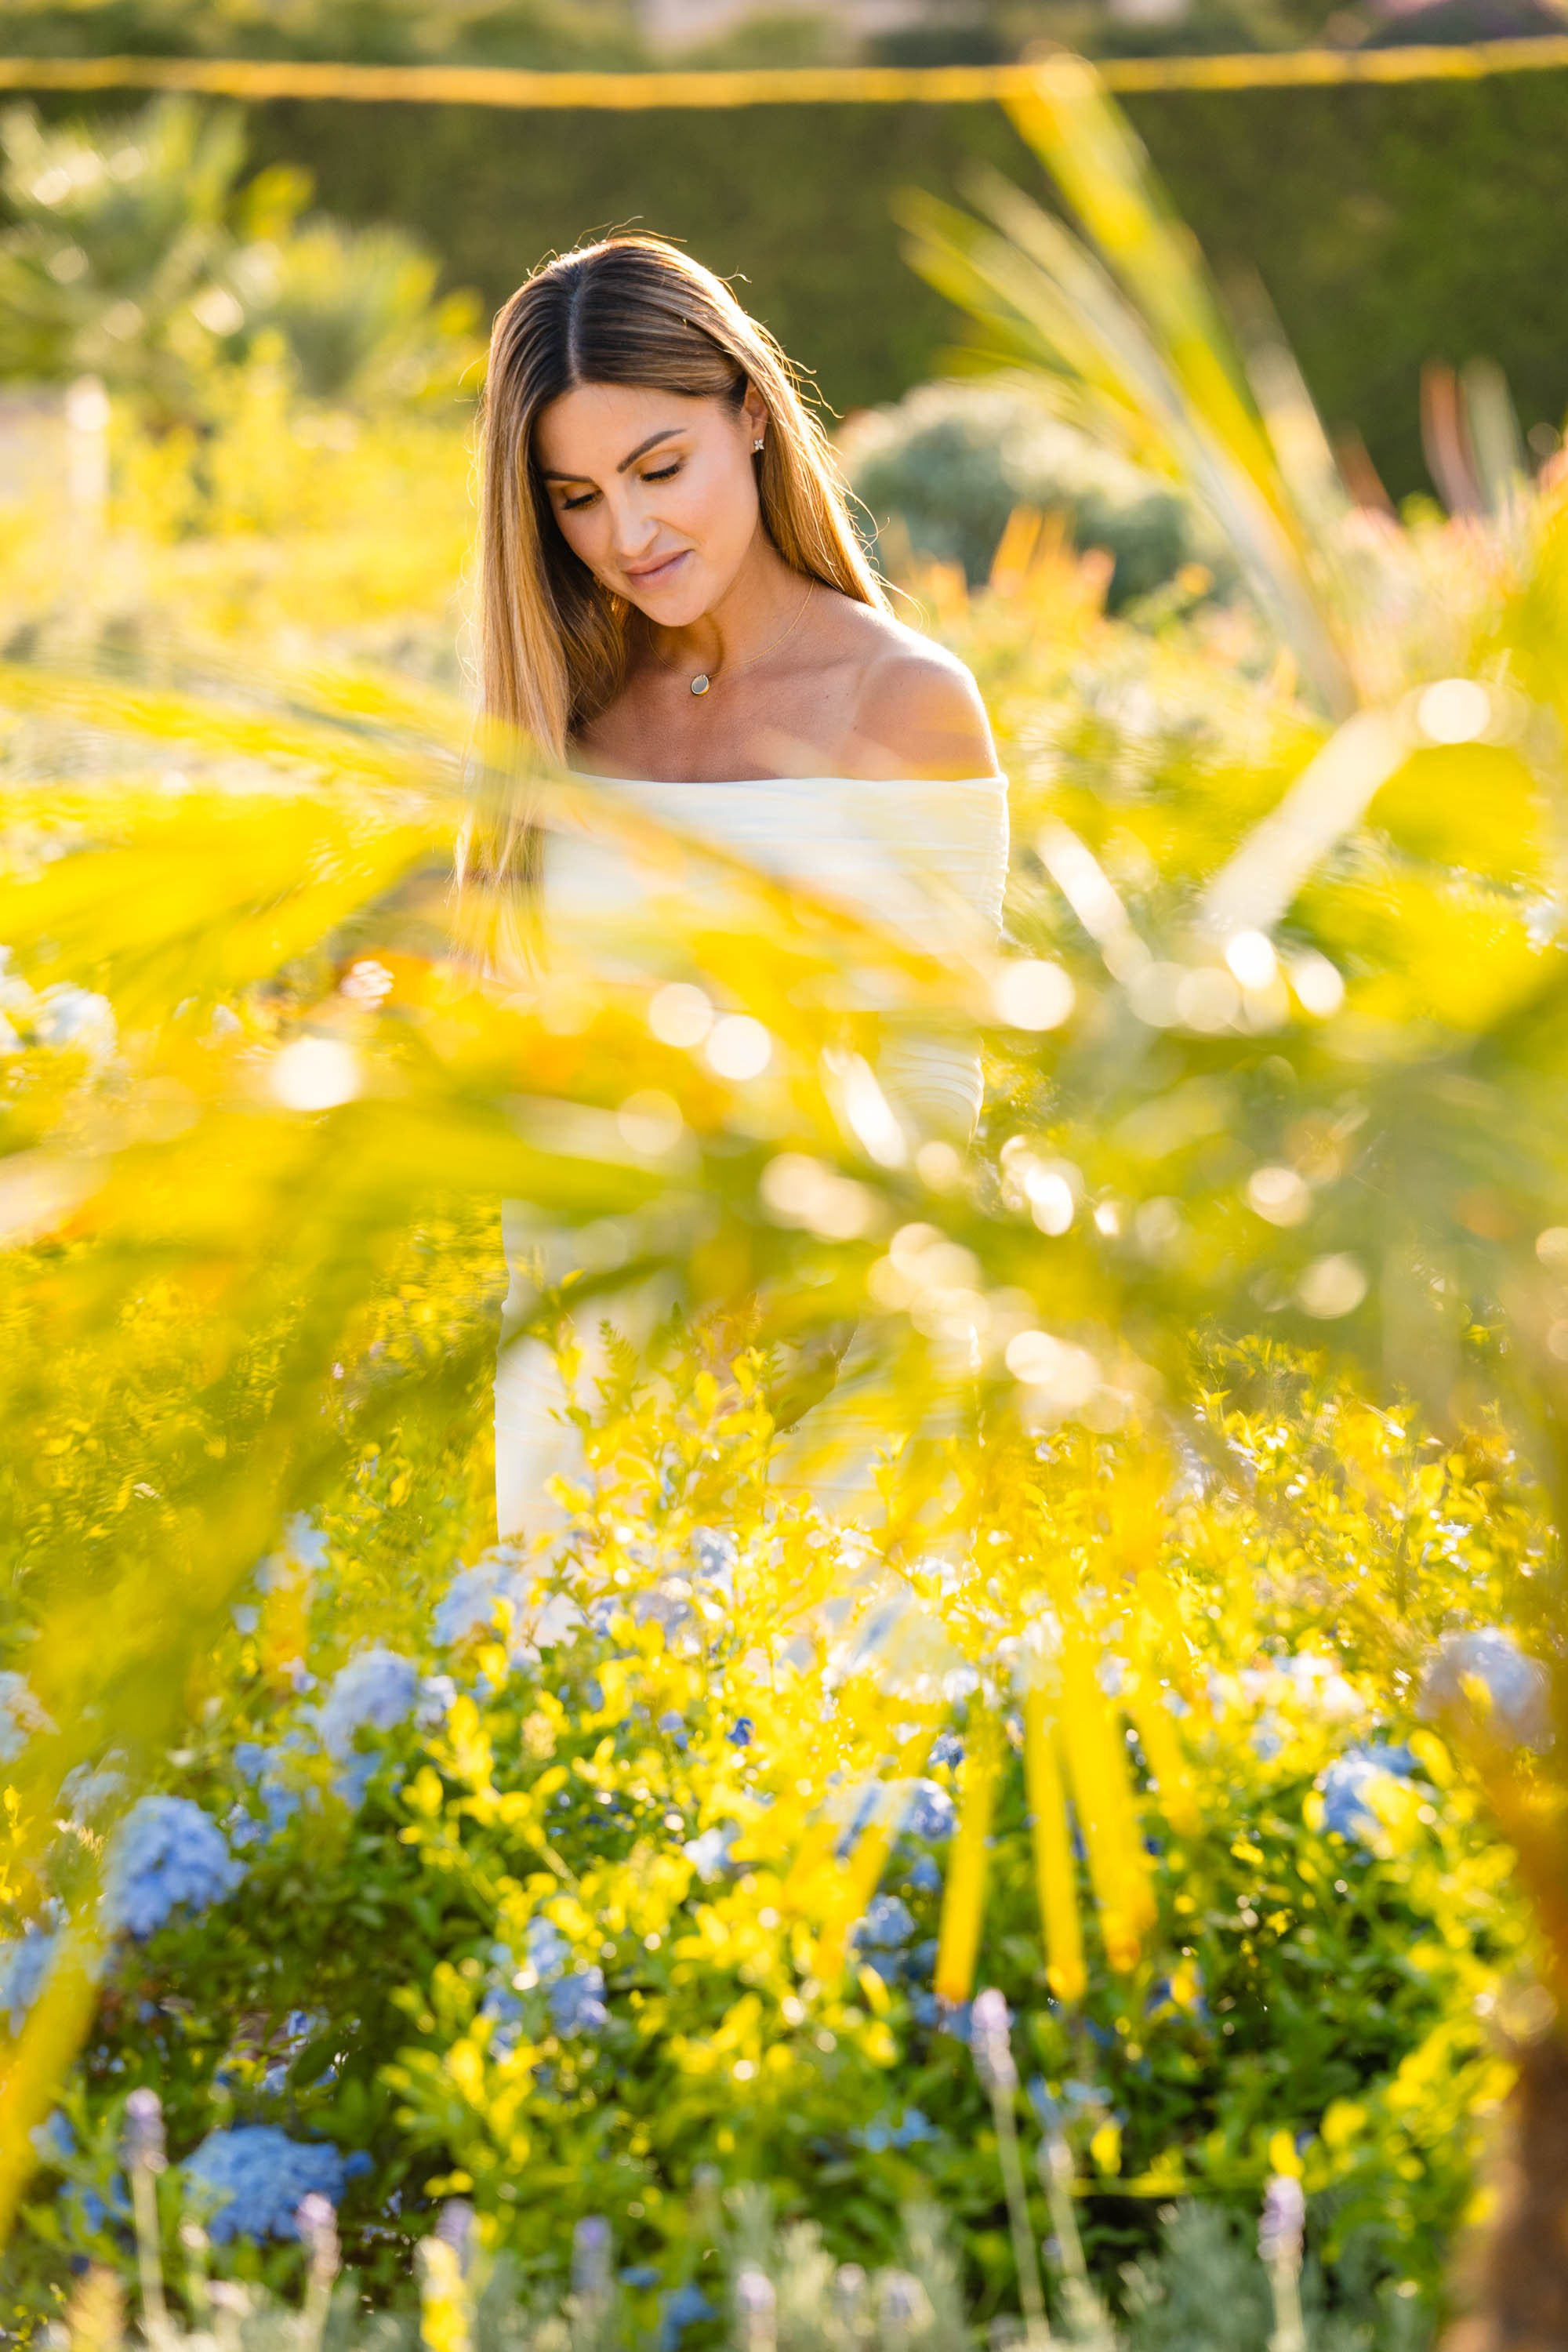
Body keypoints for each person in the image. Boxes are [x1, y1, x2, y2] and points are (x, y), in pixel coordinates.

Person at [473, 234, 1008, 1539]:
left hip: (833, 1382)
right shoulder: (566, 729)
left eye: (662, 468)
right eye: (577, 496)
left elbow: (941, 1093)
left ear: (753, 415)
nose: (630, 533)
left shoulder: (905, 704)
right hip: (580, 1391)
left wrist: (832, 1358)